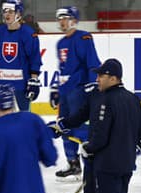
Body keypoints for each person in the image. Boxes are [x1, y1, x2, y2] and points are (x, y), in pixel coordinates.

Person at [57, 59, 141, 193]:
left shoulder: (107, 100)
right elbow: (140, 132)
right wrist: (64, 124)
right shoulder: (133, 99)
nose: (97, 79)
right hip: (125, 162)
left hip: (107, 163)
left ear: (113, 78)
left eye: (101, 76)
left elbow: (100, 136)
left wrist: (89, 148)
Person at [50, 6, 101, 182]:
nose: (62, 22)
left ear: (74, 19)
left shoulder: (84, 37)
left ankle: (92, 158)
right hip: (65, 92)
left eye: (65, 17)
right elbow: (63, 70)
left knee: (79, 126)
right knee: (63, 125)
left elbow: (92, 62)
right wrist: (55, 90)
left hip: (79, 91)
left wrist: (93, 83)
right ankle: (73, 163)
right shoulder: (60, 43)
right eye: (60, 18)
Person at [0, 0, 42, 111]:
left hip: (21, 84)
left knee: (24, 117)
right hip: (1, 83)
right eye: (5, 11)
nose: (7, 14)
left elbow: (34, 58)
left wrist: (34, 80)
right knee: (3, 118)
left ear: (18, 13)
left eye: (10, 11)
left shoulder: (28, 33)